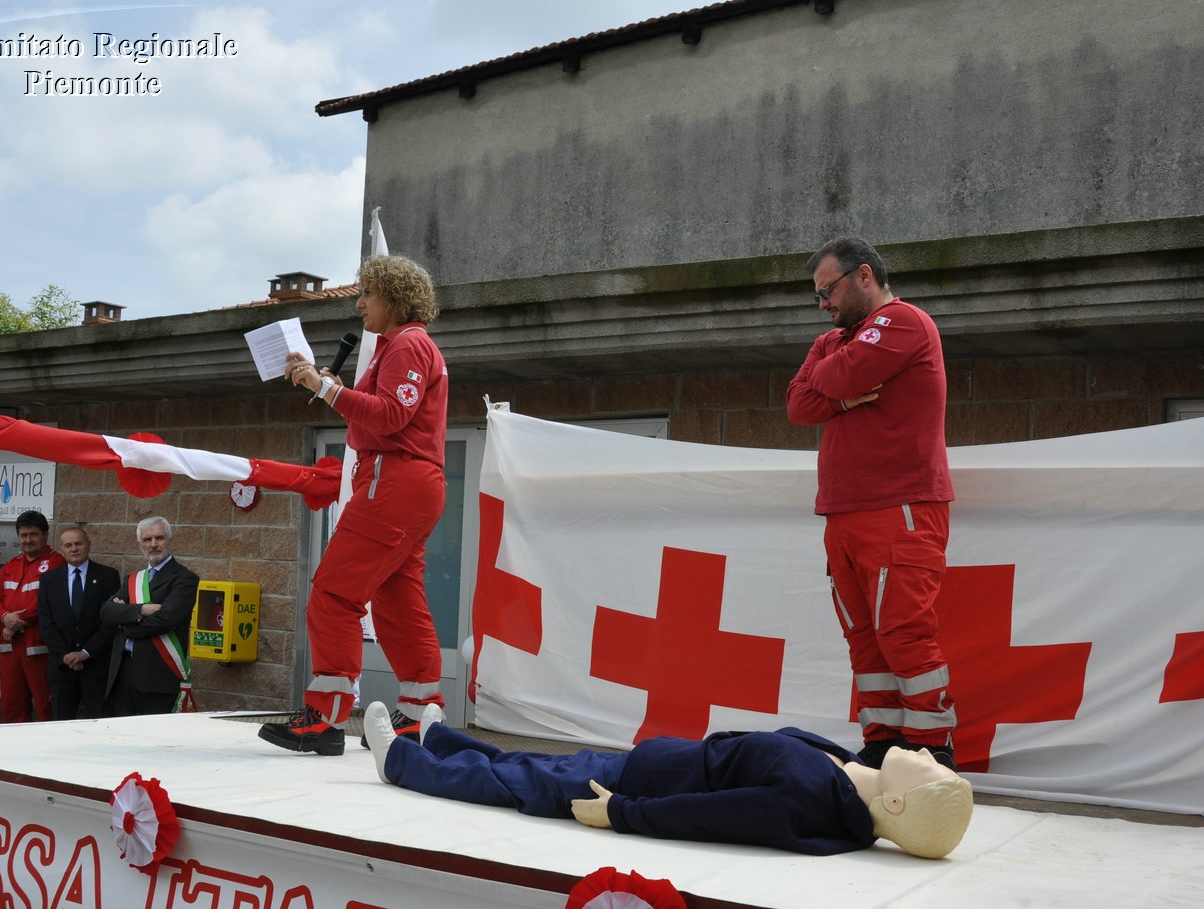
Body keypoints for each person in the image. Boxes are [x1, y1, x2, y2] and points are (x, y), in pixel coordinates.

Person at [258, 254, 450, 757]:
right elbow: (385, 411)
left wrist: (324, 387)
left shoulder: (408, 344)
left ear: (393, 297)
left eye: (367, 293)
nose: (360, 304)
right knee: (397, 596)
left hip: (394, 479)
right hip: (408, 481)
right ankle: (419, 712)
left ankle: (325, 718)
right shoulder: (406, 346)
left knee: (334, 594)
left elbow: (389, 416)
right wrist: (325, 384)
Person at [362, 704, 974, 859]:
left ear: (896, 800)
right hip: (652, 763)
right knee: (531, 765)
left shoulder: (808, 801)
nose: (927, 752)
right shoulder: (846, 778)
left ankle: (402, 763)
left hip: (636, 786)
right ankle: (439, 741)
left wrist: (624, 813)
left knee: (518, 782)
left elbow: (716, 817)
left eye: (930, 767)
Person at [785, 236, 957, 770]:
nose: (823, 306)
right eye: (817, 297)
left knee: (904, 632)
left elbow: (833, 378)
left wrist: (831, 380)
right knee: (864, 638)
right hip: (845, 512)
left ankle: (932, 750)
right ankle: (884, 742)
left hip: (899, 507)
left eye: (827, 291)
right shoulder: (836, 338)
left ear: (864, 276)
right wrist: (835, 384)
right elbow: (798, 403)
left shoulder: (903, 322)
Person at [101, 516, 198, 716]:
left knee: (155, 741)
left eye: (159, 538)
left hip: (157, 675)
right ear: (140, 544)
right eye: (147, 540)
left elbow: (166, 620)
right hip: (122, 671)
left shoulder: (185, 578)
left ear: (169, 540)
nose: (153, 544)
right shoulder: (132, 579)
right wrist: (141, 610)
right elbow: (106, 611)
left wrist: (125, 625)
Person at [0, 510, 65, 723]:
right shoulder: (12, 564)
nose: (28, 540)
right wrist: (5, 617)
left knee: (45, 707)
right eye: (23, 535)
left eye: (34, 534)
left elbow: (44, 601)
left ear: (46, 535)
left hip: (37, 648)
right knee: (10, 706)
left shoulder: (56, 562)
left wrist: (15, 623)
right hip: (10, 649)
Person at [37, 525, 121, 720]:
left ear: (88, 545)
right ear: (62, 549)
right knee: (60, 724)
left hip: (96, 666)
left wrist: (85, 653)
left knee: (99, 722)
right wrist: (65, 656)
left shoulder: (108, 576)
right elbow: (45, 622)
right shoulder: (49, 580)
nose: (74, 548)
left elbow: (111, 622)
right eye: (68, 545)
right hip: (61, 668)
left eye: (78, 543)